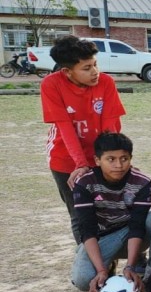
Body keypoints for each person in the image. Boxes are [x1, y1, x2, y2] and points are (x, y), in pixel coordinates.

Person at [70, 132, 151, 292]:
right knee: (83, 280)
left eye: (124, 158)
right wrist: (101, 270)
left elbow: (137, 225)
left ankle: (150, 276)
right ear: (97, 160)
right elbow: (87, 230)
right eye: (110, 159)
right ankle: (105, 265)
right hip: (104, 238)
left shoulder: (142, 182)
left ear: (131, 158)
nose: (119, 165)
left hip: (133, 235)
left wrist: (130, 267)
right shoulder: (84, 183)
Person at [41, 35, 126, 243]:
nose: (95, 72)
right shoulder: (51, 85)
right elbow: (65, 128)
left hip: (101, 157)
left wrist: (111, 161)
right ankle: (91, 267)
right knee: (80, 215)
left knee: (115, 210)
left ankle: (133, 263)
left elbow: (110, 128)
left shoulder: (106, 82)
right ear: (68, 71)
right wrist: (80, 164)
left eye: (95, 64)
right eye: (87, 68)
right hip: (66, 161)